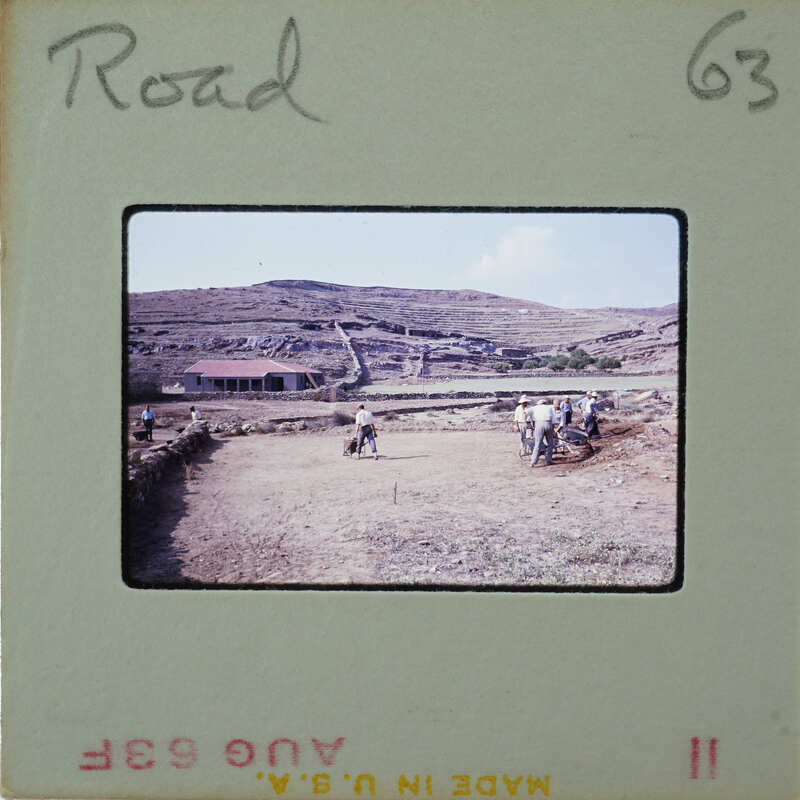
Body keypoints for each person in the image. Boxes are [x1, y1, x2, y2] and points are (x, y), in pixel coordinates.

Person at [530, 398, 557, 467]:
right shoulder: (549, 408)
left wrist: (527, 424)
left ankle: (533, 462)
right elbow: (553, 420)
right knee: (550, 443)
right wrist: (553, 430)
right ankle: (548, 460)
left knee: (538, 443)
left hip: (538, 424)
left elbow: (526, 413)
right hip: (548, 423)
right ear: (545, 403)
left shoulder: (535, 408)